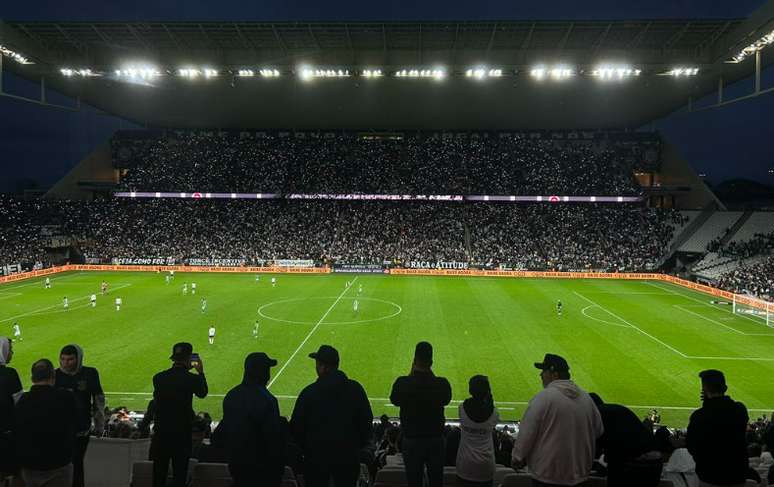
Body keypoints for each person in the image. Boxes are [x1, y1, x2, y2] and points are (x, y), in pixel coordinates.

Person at [511, 353, 603, 487]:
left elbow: (527, 433)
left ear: (554, 374)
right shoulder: (587, 399)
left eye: (544, 371)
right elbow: (598, 430)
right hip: (580, 476)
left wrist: (517, 458)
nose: (541, 375)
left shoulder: (543, 398)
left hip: (547, 477)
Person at [290, 345, 373, 487]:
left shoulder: (309, 393)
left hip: (316, 460)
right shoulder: (355, 390)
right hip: (347, 458)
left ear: (323, 367)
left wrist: (308, 449)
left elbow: (296, 429)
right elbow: (366, 422)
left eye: (317, 364)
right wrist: (355, 447)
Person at [389, 341, 452, 487]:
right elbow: (445, 398)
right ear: (431, 362)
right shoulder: (441, 384)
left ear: (414, 360)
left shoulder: (403, 383)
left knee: (413, 482)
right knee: (437, 482)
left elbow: (395, 399)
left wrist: (413, 373)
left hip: (412, 441)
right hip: (435, 441)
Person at [218, 352, 285, 487]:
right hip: (261, 472)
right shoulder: (268, 400)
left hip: (237, 470)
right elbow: (273, 440)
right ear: (263, 373)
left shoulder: (231, 396)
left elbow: (221, 435)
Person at [14, 359, 78, 487]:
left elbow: (17, 434)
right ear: (53, 376)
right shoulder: (66, 398)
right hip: (59, 463)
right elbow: (76, 426)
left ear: (32, 378)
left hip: (30, 465)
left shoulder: (22, 401)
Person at [151, 342, 208, 487]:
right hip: (181, 434)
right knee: (179, 475)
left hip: (161, 433)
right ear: (189, 359)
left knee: (159, 475)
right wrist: (200, 372)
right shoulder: (191, 379)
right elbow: (202, 393)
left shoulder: (158, 378)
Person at [687, 369, 748, 487]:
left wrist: (707, 403)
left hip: (710, 475)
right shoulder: (740, 410)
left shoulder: (699, 416)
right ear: (725, 388)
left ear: (704, 389)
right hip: (737, 474)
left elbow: (692, 446)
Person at [55, 344, 106, 487]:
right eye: (63, 359)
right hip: (60, 430)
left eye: (70, 359)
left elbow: (98, 399)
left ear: (79, 359)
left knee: (78, 464)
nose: (65, 363)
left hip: (82, 428)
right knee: (62, 466)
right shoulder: (55, 375)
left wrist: (100, 424)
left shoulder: (90, 373)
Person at [589, 393, 661, 487]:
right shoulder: (613, 409)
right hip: (652, 459)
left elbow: (600, 443)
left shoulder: (599, 414)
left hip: (636, 461)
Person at [456, 375, 500, 487]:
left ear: (470, 390)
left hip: (465, 464)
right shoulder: (494, 413)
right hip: (486, 466)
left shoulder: (461, 409)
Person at [0, 337, 23, 475]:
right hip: (7, 435)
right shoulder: (9, 374)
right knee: (15, 473)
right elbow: (20, 404)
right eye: (10, 349)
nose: (11, 353)